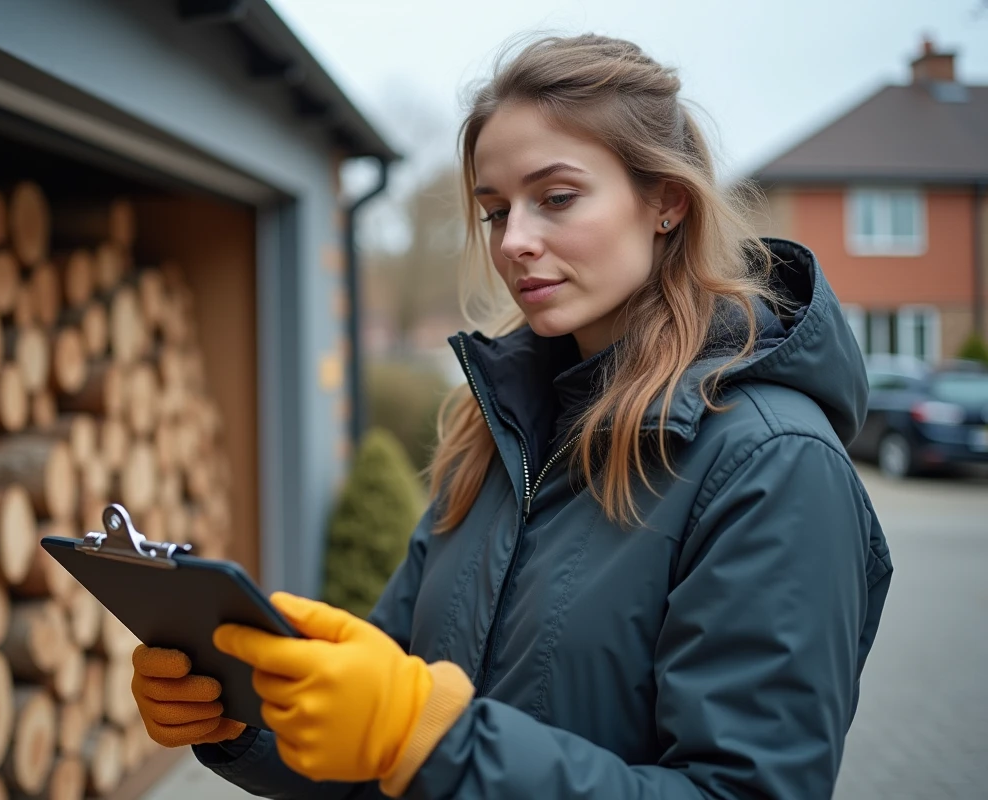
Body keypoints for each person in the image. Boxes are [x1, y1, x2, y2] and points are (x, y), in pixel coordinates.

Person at [130, 33, 893, 799]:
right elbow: (388, 720)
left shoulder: (774, 461)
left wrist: (424, 740)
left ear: (666, 203)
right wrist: (249, 719)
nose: (515, 242)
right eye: (495, 211)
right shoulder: (498, 434)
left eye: (555, 198)